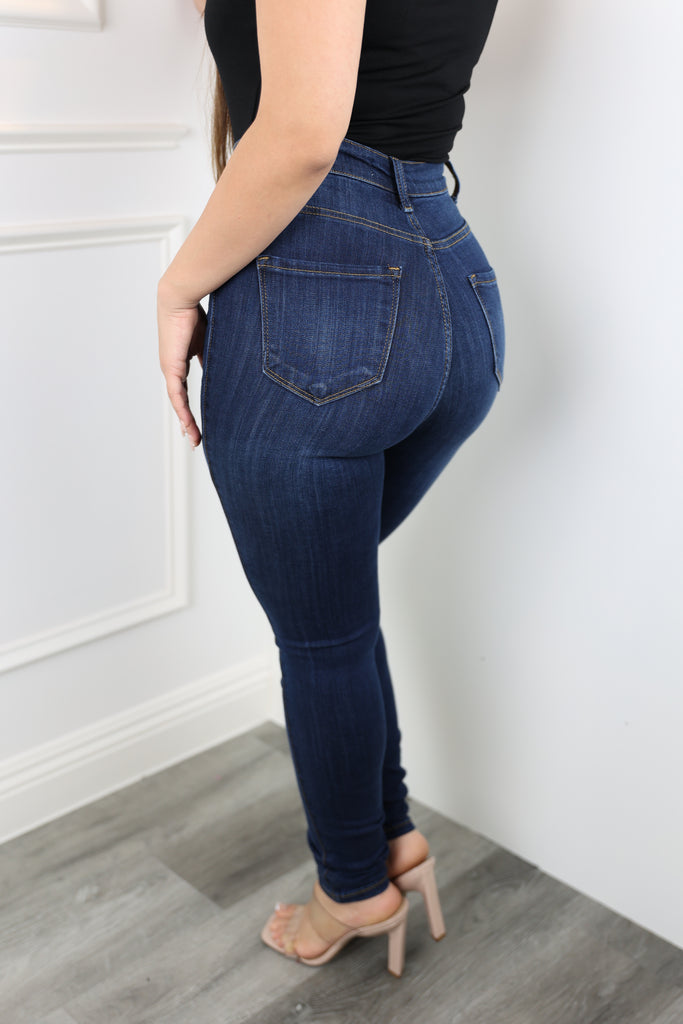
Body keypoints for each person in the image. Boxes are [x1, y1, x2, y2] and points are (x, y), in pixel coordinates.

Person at [156, 0, 503, 978]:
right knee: (336, 619)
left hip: (321, 291)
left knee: (320, 637)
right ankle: (389, 838)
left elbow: (305, 132)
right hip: (453, 284)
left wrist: (177, 286)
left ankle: (350, 889)